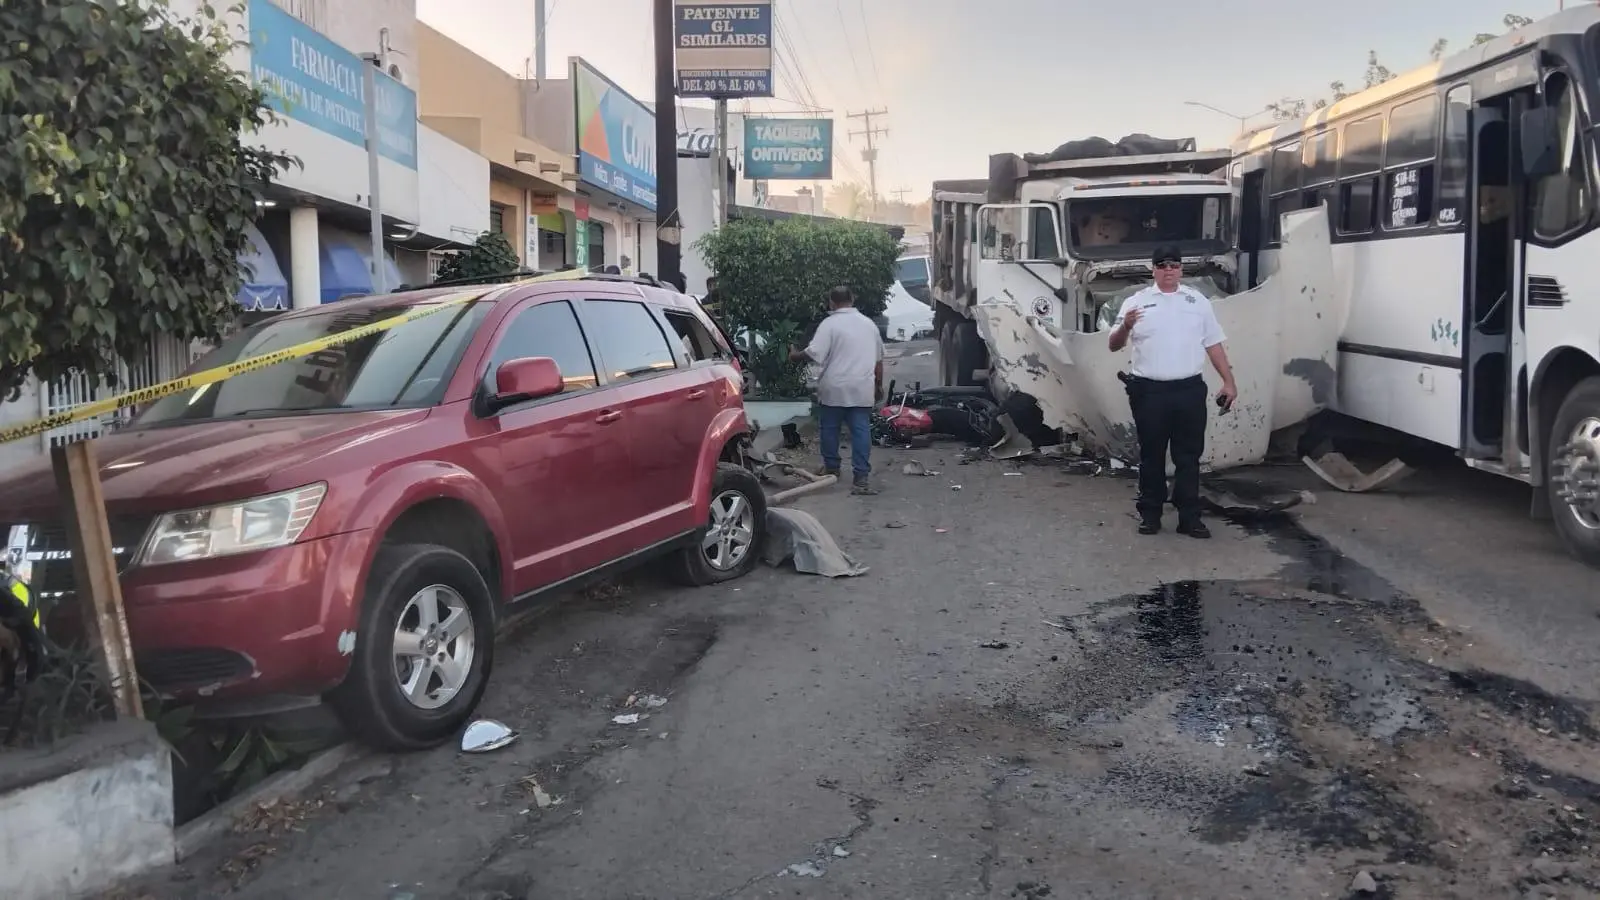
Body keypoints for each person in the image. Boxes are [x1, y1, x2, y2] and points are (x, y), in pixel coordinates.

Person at [1107, 244, 1237, 538]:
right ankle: (1150, 514)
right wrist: (1126, 327)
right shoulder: (1135, 303)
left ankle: (1189, 517)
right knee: (1152, 455)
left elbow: (1213, 344)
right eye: (1163, 265)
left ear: (1181, 269)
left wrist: (1228, 381)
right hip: (1149, 392)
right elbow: (1113, 344)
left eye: (1174, 265)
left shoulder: (1197, 301)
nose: (1169, 271)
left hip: (1188, 390)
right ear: (1152, 269)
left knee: (1188, 456)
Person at [789, 286, 884, 495]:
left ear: (831, 302)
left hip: (834, 387)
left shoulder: (829, 325)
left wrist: (794, 355)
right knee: (860, 431)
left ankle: (832, 468)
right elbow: (878, 361)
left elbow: (813, 353)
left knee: (830, 429)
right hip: (861, 386)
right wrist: (879, 385)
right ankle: (861, 479)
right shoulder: (869, 325)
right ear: (853, 299)